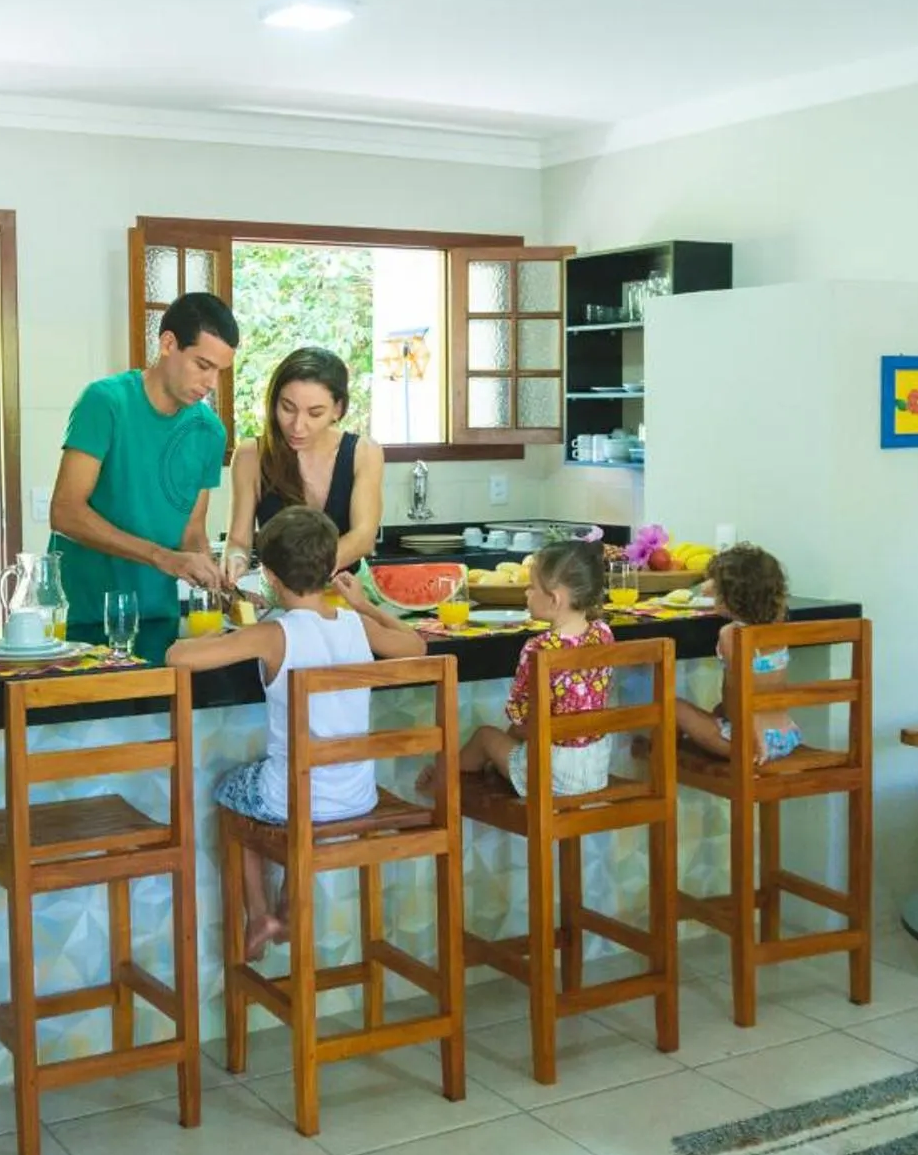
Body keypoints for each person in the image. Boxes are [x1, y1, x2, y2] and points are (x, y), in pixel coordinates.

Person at [167, 506, 426, 961]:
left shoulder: (272, 634)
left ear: (268, 576)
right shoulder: (355, 625)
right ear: (331, 568)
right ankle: (286, 908)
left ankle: (260, 913)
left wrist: (220, 635)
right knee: (293, 793)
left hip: (293, 800)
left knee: (229, 793)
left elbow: (177, 657)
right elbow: (417, 646)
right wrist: (365, 604)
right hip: (357, 796)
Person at [47, 292, 238, 625]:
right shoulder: (105, 402)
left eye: (219, 371)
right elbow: (65, 513)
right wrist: (161, 557)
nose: (211, 383)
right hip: (86, 616)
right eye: (203, 365)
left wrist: (214, 580)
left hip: (157, 617)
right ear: (168, 344)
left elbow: (192, 532)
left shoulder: (210, 432)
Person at [432, 539, 618, 800]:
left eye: (531, 587)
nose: (526, 593)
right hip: (595, 769)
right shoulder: (603, 633)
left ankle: (438, 785)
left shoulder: (538, 648)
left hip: (552, 773)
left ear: (554, 599)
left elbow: (519, 716)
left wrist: (505, 745)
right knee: (510, 744)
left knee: (485, 737)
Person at [224, 346, 384, 573]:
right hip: (278, 591)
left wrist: (305, 576)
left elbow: (363, 537)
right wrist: (235, 559)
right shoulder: (250, 455)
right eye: (287, 408)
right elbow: (238, 542)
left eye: (315, 413)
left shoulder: (364, 452)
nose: (298, 426)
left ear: (337, 409)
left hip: (347, 589)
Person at [673, 543, 802, 764]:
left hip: (750, 741)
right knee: (718, 709)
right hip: (784, 736)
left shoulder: (731, 635)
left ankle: (661, 769)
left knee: (672, 706)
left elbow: (742, 692)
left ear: (730, 598)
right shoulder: (778, 627)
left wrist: (754, 740)